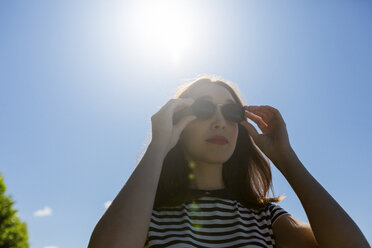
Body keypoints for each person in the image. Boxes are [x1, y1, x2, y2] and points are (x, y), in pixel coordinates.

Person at [88, 76, 370, 248]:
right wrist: (159, 145)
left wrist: (286, 158)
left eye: (231, 112)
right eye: (204, 108)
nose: (220, 121)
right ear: (177, 121)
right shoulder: (146, 214)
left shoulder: (265, 218)